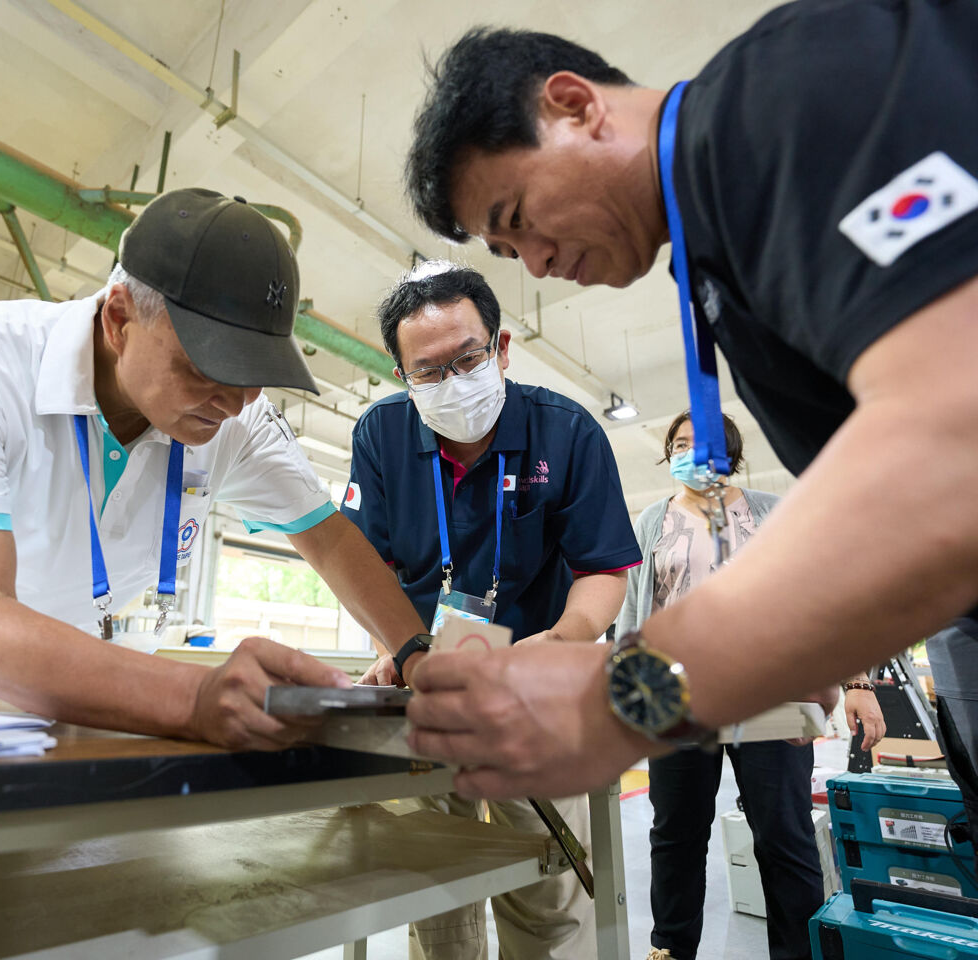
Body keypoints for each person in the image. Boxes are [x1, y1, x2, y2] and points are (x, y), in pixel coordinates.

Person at [397, 4, 978, 805]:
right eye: (506, 252)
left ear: (574, 105)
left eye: (518, 220)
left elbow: (955, 447)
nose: (533, 265)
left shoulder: (780, 100)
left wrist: (620, 702)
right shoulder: (712, 255)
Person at [0, 188, 430, 750]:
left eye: (257, 376)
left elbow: (331, 539)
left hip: (11, 672)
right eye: (207, 368)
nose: (234, 401)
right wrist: (197, 696)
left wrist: (417, 656)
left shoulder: (236, 424)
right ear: (118, 318)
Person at [343, 260, 640, 960]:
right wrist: (397, 644)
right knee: (434, 886)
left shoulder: (566, 432)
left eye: (467, 358)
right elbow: (366, 565)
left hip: (532, 688)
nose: (451, 382)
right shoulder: (381, 437)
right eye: (427, 370)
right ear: (399, 375)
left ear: (501, 349)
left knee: (545, 881)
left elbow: (604, 571)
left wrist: (564, 640)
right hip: (426, 684)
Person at [619, 411, 885, 960]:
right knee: (675, 839)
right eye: (679, 443)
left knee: (783, 838)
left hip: (773, 699)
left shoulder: (770, 513)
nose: (689, 452)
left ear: (732, 453)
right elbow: (633, 614)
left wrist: (858, 678)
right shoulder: (652, 521)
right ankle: (671, 951)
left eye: (704, 443)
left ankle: (799, 951)